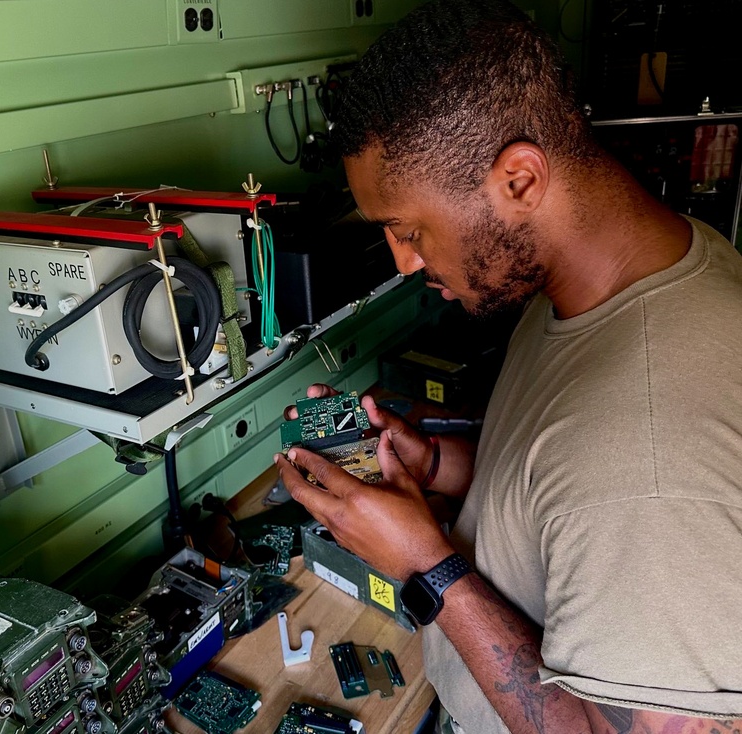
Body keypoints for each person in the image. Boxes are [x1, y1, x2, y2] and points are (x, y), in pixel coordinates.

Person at [275, 0, 742, 732]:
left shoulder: (651, 459)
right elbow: (555, 484)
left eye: (408, 227)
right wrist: (437, 466)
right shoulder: (614, 277)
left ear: (519, 181)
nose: (403, 260)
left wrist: (425, 570)